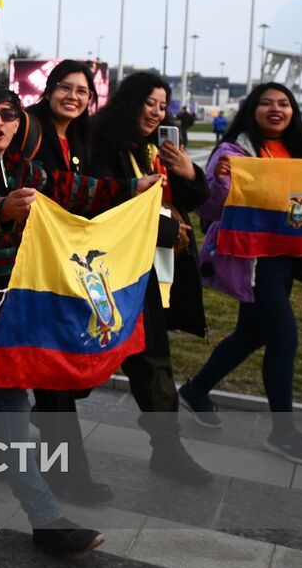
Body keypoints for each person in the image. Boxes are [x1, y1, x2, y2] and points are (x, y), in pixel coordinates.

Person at [0, 85, 160, 555]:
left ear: (20, 123)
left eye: (9, 114)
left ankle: (36, 519)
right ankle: (44, 520)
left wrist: (130, 189)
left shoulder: (24, 170)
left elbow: (78, 190)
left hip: (9, 317)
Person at [181, 83, 302, 465]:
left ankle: (196, 391)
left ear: (293, 111)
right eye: (266, 103)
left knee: (252, 333)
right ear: (252, 110)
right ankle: (283, 432)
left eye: (283, 103)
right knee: (284, 338)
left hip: (287, 259)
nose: (275, 109)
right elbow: (209, 208)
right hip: (253, 259)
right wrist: (222, 182)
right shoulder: (233, 152)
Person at [89, 72, 213, 486]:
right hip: (111, 270)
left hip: (153, 273)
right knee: (81, 361)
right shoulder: (103, 142)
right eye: (151, 103)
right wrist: (164, 230)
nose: (158, 112)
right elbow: (105, 200)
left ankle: (168, 449)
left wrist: (189, 171)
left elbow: (194, 202)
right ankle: (7, 422)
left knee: (153, 358)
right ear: (131, 101)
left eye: (163, 105)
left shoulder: (155, 149)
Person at [21, 60, 113, 504]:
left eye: (82, 90)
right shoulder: (29, 128)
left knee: (49, 373)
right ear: (49, 90)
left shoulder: (80, 137)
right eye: (65, 87)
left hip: (64, 261)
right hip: (31, 262)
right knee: (56, 371)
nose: (73, 96)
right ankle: (69, 475)